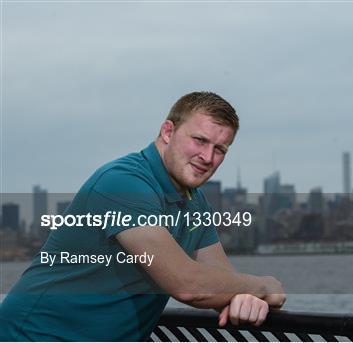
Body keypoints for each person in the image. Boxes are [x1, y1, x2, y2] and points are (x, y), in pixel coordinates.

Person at [0, 91, 286, 341]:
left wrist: (245, 299)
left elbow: (220, 280)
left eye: (220, 149)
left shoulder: (195, 203)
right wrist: (265, 286)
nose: (208, 157)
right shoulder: (124, 182)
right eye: (199, 140)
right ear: (167, 132)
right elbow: (188, 285)